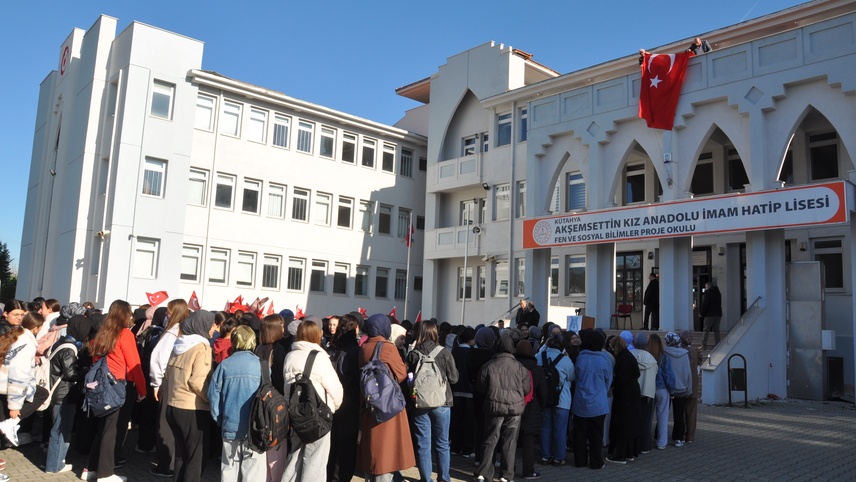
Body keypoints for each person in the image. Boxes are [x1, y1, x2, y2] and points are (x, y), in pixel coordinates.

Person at [83, 300, 147, 482]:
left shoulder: (102, 333)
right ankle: (105, 474)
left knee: (103, 429)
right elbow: (134, 364)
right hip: (119, 386)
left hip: (101, 386)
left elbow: (96, 359)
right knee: (113, 430)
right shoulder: (125, 333)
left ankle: (91, 469)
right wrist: (142, 389)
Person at [282, 319, 343, 481]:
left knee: (294, 457)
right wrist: (332, 408)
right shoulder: (321, 358)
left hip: (296, 414)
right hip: (318, 417)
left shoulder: (290, 356)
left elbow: (287, 389)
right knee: (315, 461)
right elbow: (335, 390)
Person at [357, 314, 415, 482]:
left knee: (372, 453)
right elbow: (402, 374)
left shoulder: (364, 347)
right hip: (387, 405)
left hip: (369, 404)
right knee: (386, 454)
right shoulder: (388, 347)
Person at [208, 326, 264, 482]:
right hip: (256, 427)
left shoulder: (225, 365)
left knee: (229, 469)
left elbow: (213, 396)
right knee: (252, 472)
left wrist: (219, 419)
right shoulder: (262, 366)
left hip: (230, 424)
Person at [165, 310, 216, 482]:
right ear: (203, 325)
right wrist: (212, 400)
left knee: (181, 455)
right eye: (211, 325)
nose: (214, 330)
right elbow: (198, 382)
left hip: (172, 406)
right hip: (192, 408)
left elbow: (167, 375)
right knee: (196, 458)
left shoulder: (179, 344)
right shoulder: (202, 347)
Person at [404, 320, 458, 482]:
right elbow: (454, 379)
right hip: (442, 402)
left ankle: (426, 479)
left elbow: (408, 378)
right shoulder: (444, 352)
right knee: (442, 443)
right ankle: (444, 478)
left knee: (423, 444)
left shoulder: (413, 354)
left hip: (420, 403)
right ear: (435, 332)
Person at [474, 333, 530, 482]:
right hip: (514, 409)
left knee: (490, 440)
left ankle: (483, 474)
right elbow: (526, 389)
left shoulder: (488, 365)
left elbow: (480, 387)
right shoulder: (520, 367)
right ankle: (506, 475)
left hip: (493, 407)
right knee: (510, 442)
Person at [44, 314, 91, 473]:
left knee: (58, 427)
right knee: (61, 429)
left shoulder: (62, 342)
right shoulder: (70, 349)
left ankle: (55, 462)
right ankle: (55, 465)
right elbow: (70, 374)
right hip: (63, 394)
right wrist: (83, 372)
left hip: (56, 393)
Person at [149, 298, 190, 478]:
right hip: (183, 381)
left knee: (164, 424)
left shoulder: (172, 333)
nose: (166, 314)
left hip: (167, 379)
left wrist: (155, 383)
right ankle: (174, 462)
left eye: (168, 311)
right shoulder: (189, 332)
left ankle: (166, 464)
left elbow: (158, 359)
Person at [326, 314, 361, 482]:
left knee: (332, 446)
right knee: (346, 450)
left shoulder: (331, 349)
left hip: (331, 402)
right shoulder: (355, 351)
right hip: (350, 404)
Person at [254, 313, 288, 481]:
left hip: (261, 401)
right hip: (275, 404)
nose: (284, 328)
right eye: (281, 326)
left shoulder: (259, 348)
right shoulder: (278, 350)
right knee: (277, 450)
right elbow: (281, 380)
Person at [571, 330, 612, 470]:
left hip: (580, 402)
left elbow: (575, 376)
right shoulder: (604, 359)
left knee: (580, 433)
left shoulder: (581, 358)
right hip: (598, 403)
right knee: (596, 434)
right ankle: (596, 461)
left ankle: (580, 460)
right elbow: (608, 380)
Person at [537, 334, 575, 466]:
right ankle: (559, 457)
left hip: (543, 397)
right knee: (560, 429)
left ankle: (545, 456)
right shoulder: (565, 360)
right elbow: (571, 377)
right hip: (561, 398)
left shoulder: (539, 357)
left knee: (545, 427)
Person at [514, 339, 547, 480]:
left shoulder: (513, 366)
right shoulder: (537, 369)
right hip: (532, 407)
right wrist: (542, 406)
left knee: (510, 440)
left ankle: (507, 469)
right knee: (528, 441)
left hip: (513, 406)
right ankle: (528, 471)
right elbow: (543, 392)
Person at [605, 336, 641, 464]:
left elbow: (621, 379)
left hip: (625, 395)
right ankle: (629, 453)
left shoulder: (623, 359)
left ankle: (620, 455)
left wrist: (609, 381)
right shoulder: (628, 356)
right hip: (631, 394)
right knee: (629, 424)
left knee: (622, 424)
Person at [449, 326, 475, 458]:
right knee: (468, 421)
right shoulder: (472, 353)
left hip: (455, 391)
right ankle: (467, 448)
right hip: (469, 391)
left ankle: (455, 446)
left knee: (456, 420)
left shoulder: (454, 352)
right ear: (471, 339)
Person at [664, 332, 692, 447]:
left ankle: (659, 435)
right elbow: (688, 373)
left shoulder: (665, 353)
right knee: (679, 415)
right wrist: (688, 388)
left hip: (667, 388)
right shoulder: (685, 354)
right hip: (681, 388)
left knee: (663, 413)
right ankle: (678, 438)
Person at [631, 332, 658, 454]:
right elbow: (655, 374)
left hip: (633, 392)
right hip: (647, 392)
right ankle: (645, 446)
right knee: (646, 421)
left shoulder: (630, 355)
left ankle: (634, 445)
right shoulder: (651, 358)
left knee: (633, 420)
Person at [680, 330, 703, 443]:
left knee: (682, 411)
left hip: (683, 384)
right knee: (692, 412)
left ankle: (682, 433)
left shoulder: (681, 351)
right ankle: (690, 436)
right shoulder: (695, 351)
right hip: (693, 385)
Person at [700, 282, 723, 348]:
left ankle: (703, 344)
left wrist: (702, 313)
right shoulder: (718, 293)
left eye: (705, 286)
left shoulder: (708, 293)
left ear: (708, 286)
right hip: (718, 314)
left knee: (706, 329)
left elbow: (706, 304)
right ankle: (718, 344)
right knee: (716, 329)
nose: (705, 288)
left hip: (709, 314)